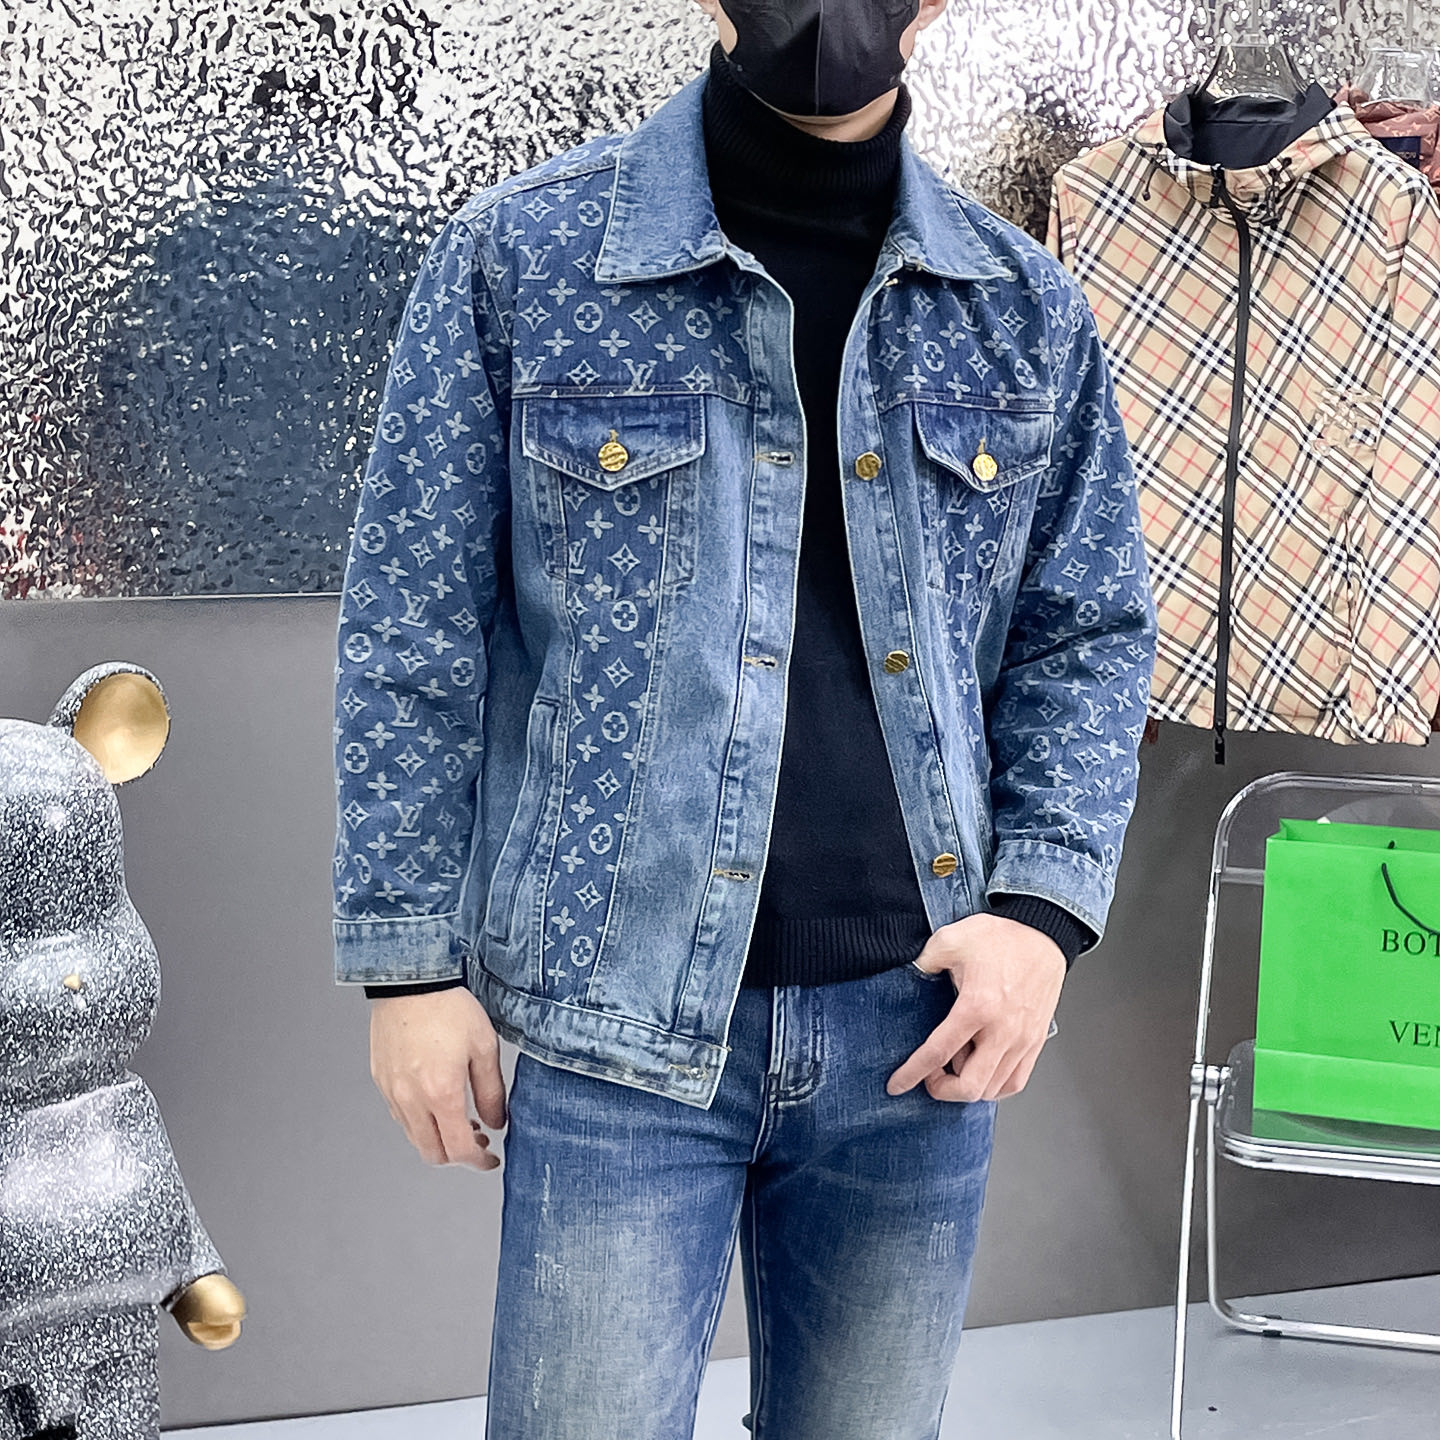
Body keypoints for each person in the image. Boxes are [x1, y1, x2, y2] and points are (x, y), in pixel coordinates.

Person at [330, 1, 1157, 1436]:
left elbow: (1086, 634)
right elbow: (415, 622)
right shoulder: (527, 257)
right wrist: (407, 968)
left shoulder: (1022, 310)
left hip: (917, 1032)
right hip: (617, 1021)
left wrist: (1041, 915)